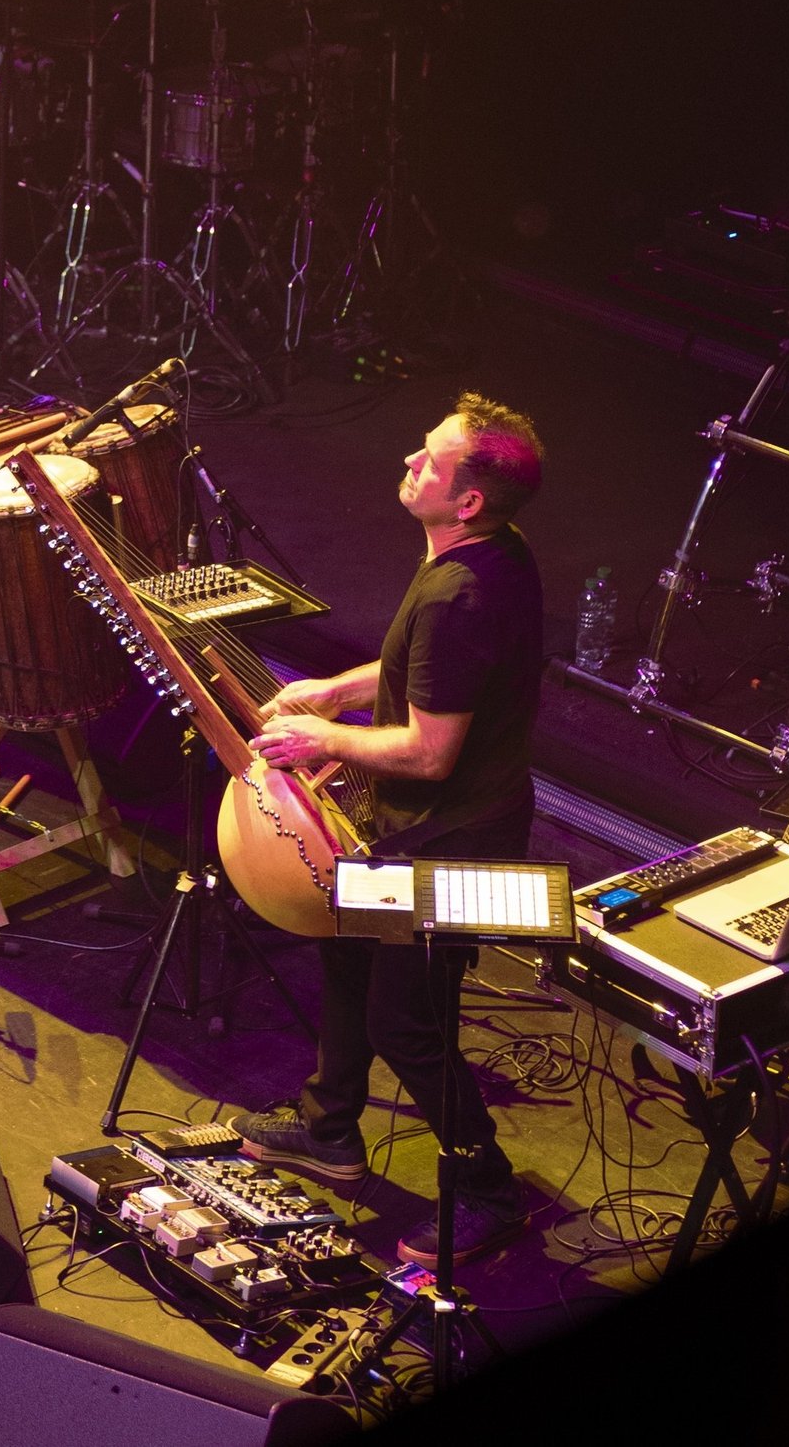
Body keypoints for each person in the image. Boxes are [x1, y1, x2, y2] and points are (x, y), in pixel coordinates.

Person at [232, 393, 546, 1266]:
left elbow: (429, 750)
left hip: (452, 841)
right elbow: (423, 671)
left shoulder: (461, 592)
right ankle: (329, 1128)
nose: (410, 461)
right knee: (347, 951)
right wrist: (337, 690)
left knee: (409, 1023)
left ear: (468, 499)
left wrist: (319, 737)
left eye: (430, 460)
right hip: (429, 831)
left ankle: (488, 1189)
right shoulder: (492, 557)